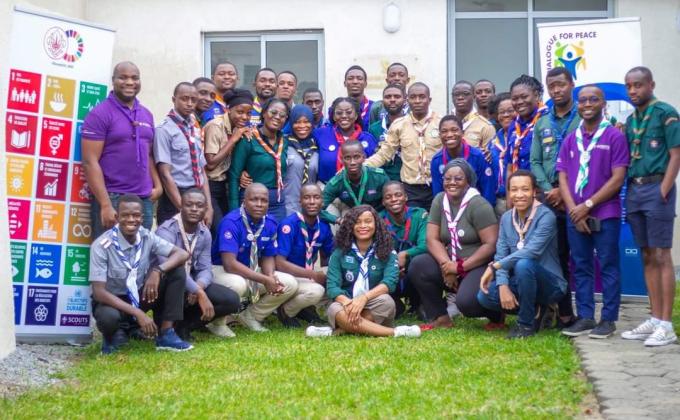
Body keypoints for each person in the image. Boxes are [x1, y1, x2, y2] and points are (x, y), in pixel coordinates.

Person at [557, 85, 629, 339]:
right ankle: (586, 316)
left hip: (604, 212)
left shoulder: (614, 136)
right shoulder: (571, 138)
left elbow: (618, 178)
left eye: (593, 99)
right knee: (581, 265)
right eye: (583, 100)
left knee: (608, 265)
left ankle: (608, 319)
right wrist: (574, 210)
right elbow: (563, 176)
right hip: (575, 214)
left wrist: (587, 205)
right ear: (578, 104)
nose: (587, 104)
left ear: (603, 104)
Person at [620, 66, 680, 346]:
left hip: (657, 187)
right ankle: (655, 318)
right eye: (629, 86)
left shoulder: (665, 113)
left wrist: (664, 189)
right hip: (635, 189)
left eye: (638, 85)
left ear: (651, 85)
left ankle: (667, 325)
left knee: (661, 254)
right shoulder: (631, 120)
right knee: (646, 254)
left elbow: (675, 154)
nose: (633, 90)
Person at [90, 194, 192, 354]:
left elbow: (182, 254)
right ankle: (113, 336)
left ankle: (166, 334)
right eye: (125, 215)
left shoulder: (146, 236)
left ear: (142, 218)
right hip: (112, 301)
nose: (131, 219)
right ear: (117, 217)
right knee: (108, 317)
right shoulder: (101, 246)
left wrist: (157, 271)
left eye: (136, 215)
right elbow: (99, 293)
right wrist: (138, 313)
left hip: (138, 296)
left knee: (176, 271)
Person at [306, 205, 421, 338]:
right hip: (346, 303)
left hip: (374, 301)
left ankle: (338, 331)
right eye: (358, 222)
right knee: (334, 308)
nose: (363, 226)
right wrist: (348, 303)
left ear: (376, 224)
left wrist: (363, 298)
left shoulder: (388, 252)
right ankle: (396, 332)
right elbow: (332, 287)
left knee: (387, 302)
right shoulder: (339, 253)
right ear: (351, 226)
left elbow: (389, 283)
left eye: (368, 221)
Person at [410, 160, 500, 329]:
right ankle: (440, 317)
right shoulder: (439, 200)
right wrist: (447, 266)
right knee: (419, 265)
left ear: (468, 181)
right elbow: (432, 238)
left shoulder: (478, 204)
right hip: (450, 261)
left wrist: (460, 267)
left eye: (458, 178)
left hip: (477, 264)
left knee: (467, 303)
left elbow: (491, 244)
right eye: (447, 178)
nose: (452, 182)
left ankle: (496, 316)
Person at [478, 170, 566, 339]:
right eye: (514, 190)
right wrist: (502, 285)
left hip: (550, 285)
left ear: (534, 192)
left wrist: (495, 267)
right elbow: (501, 254)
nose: (519, 195)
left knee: (524, 263)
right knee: (485, 296)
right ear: (509, 193)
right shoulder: (506, 218)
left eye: (525, 189)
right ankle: (538, 308)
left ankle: (525, 325)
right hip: (522, 282)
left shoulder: (546, 216)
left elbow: (531, 251)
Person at [82, 61, 162, 239]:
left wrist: (158, 186)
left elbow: (148, 153)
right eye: (123, 78)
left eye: (134, 78)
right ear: (113, 80)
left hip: (143, 199)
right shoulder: (100, 113)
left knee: (141, 252)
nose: (129, 82)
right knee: (109, 251)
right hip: (113, 197)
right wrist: (105, 204)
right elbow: (89, 162)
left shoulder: (146, 114)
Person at [154, 188, 241, 340]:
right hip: (167, 288)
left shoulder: (204, 232)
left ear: (206, 209)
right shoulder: (166, 230)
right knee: (178, 278)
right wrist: (198, 292)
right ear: (181, 206)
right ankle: (167, 326)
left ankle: (184, 327)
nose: (194, 209)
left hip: (191, 285)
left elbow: (205, 268)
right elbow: (169, 267)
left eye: (199, 205)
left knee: (231, 300)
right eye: (189, 205)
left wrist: (198, 286)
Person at [531, 67, 581, 329]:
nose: (557, 90)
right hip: (549, 198)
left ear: (572, 84)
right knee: (556, 257)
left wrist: (564, 190)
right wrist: (547, 189)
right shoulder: (542, 123)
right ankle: (564, 314)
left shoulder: (583, 117)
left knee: (581, 257)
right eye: (552, 86)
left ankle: (586, 313)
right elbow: (535, 161)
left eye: (561, 84)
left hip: (578, 196)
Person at [211, 183, 299, 332]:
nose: (259, 204)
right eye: (254, 199)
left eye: (264, 200)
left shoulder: (270, 222)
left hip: (250, 269)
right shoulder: (231, 222)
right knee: (238, 284)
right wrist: (265, 280)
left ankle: (250, 316)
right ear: (244, 201)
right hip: (221, 271)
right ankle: (217, 323)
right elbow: (229, 264)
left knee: (289, 283)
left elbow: (268, 256)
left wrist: (270, 276)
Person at [365, 82, 441, 209]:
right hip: (411, 189)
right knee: (413, 220)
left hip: (437, 185)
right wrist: (362, 166)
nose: (417, 101)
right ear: (407, 100)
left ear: (429, 99)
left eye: (422, 97)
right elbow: (384, 154)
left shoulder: (441, 123)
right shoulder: (399, 125)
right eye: (413, 97)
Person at [154, 82, 213, 226]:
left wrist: (209, 206)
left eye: (193, 100)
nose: (189, 104)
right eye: (184, 99)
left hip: (197, 194)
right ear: (174, 100)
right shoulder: (164, 130)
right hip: (175, 197)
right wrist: (183, 209)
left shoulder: (194, 128)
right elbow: (165, 174)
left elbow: (201, 170)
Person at [275, 184, 333, 326]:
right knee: (316, 291)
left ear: (322, 201)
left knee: (336, 278)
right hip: (286, 276)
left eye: (316, 197)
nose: (312, 202)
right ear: (300, 201)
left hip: (306, 275)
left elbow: (330, 254)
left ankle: (306, 308)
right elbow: (280, 263)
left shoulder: (323, 227)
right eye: (307, 198)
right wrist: (313, 275)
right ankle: (286, 311)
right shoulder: (289, 225)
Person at [228, 98, 289, 222]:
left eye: (282, 115)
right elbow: (234, 175)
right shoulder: (248, 138)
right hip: (253, 201)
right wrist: (234, 211)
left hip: (277, 204)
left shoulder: (285, 142)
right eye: (273, 112)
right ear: (264, 113)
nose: (277, 117)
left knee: (277, 233)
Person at [204, 88, 254, 232]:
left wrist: (243, 172)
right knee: (219, 228)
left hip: (226, 186)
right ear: (228, 109)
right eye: (240, 112)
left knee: (230, 226)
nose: (244, 117)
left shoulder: (240, 128)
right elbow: (211, 163)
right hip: (210, 186)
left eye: (248, 113)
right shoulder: (216, 125)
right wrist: (233, 139)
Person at [379, 181, 428, 317]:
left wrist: (405, 254)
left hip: (414, 270)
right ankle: (394, 303)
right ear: (383, 202)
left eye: (398, 195)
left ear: (406, 197)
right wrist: (392, 265)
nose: (394, 199)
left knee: (424, 261)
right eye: (388, 197)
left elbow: (426, 245)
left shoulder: (419, 215)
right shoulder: (378, 220)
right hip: (389, 273)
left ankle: (421, 303)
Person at [430, 115, 496, 205]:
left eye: (454, 130)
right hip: (450, 209)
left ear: (463, 133)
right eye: (444, 131)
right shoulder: (436, 160)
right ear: (440, 135)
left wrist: (484, 210)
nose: (449, 135)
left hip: (476, 207)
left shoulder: (478, 156)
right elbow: (438, 195)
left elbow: (488, 192)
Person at [321, 140, 389, 223]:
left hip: (378, 217)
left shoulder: (379, 177)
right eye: (347, 158)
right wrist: (338, 220)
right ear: (341, 159)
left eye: (357, 157)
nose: (352, 162)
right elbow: (317, 209)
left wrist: (377, 218)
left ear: (364, 157)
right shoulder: (336, 183)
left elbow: (391, 203)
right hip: (353, 218)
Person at [315, 97, 377, 184]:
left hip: (360, 187)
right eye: (339, 113)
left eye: (349, 112)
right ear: (334, 116)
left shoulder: (368, 139)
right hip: (326, 187)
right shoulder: (320, 134)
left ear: (356, 116)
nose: (344, 116)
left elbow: (374, 168)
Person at [505, 75, 548, 177]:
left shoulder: (548, 120)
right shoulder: (513, 126)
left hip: (542, 184)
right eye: (515, 99)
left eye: (524, 97)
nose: (519, 102)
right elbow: (509, 166)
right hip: (518, 184)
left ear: (536, 96)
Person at [284, 105, 320, 215]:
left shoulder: (317, 145)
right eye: (297, 122)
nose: (302, 126)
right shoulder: (282, 143)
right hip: (287, 206)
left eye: (306, 122)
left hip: (311, 207)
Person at [368, 84, 406, 181]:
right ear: (382, 101)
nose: (392, 100)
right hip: (382, 181)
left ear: (405, 100)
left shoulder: (412, 125)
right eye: (388, 97)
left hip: (406, 180)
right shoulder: (374, 128)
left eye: (397, 97)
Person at [486, 93, 515, 216]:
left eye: (510, 111)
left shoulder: (524, 138)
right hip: (498, 202)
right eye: (502, 112)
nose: (506, 115)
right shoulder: (493, 143)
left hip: (519, 198)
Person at [451, 80, 496, 148]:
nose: (460, 97)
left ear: (474, 97)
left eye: (466, 94)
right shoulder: (444, 124)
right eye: (456, 94)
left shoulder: (486, 126)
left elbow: (490, 153)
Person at [344, 65, 373, 130]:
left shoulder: (374, 107)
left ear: (365, 83)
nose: (355, 82)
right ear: (345, 83)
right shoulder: (337, 108)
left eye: (359, 78)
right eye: (350, 78)